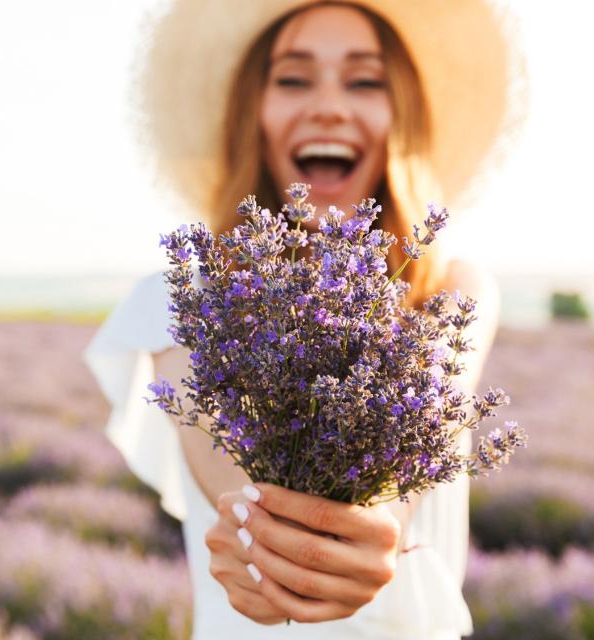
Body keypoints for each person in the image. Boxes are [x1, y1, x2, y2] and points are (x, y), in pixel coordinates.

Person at [83, 1, 526, 638]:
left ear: (401, 112)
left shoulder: (451, 291)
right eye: (293, 78)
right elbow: (227, 467)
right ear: (252, 114)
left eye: (365, 80)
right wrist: (262, 537)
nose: (328, 107)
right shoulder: (184, 295)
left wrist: (367, 527)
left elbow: (398, 476)